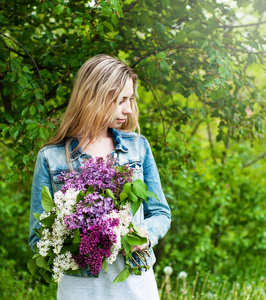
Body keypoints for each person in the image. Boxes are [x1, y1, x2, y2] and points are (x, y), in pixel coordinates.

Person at [29, 54, 171, 300]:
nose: (128, 109)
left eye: (130, 99)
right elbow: (37, 237)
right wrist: (79, 235)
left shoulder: (138, 147)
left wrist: (144, 234)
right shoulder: (51, 158)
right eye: (121, 100)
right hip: (79, 289)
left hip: (136, 282)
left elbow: (160, 213)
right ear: (95, 98)